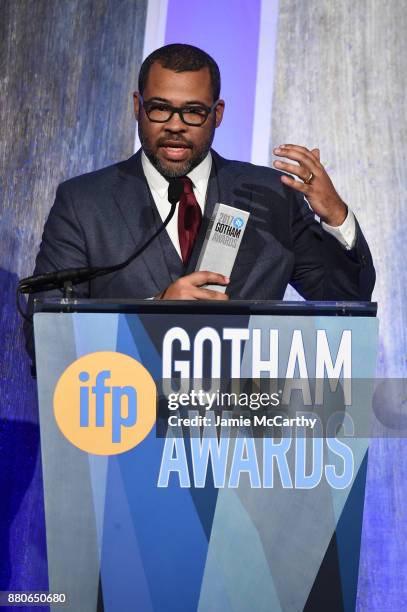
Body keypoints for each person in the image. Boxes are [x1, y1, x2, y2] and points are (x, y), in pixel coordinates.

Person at [30, 43, 375, 305]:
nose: (176, 126)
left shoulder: (274, 196)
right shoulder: (83, 202)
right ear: (138, 106)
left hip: (247, 400)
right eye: (160, 109)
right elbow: (45, 331)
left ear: (217, 113)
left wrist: (336, 217)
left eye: (193, 111)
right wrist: (154, 311)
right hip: (128, 396)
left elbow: (346, 300)